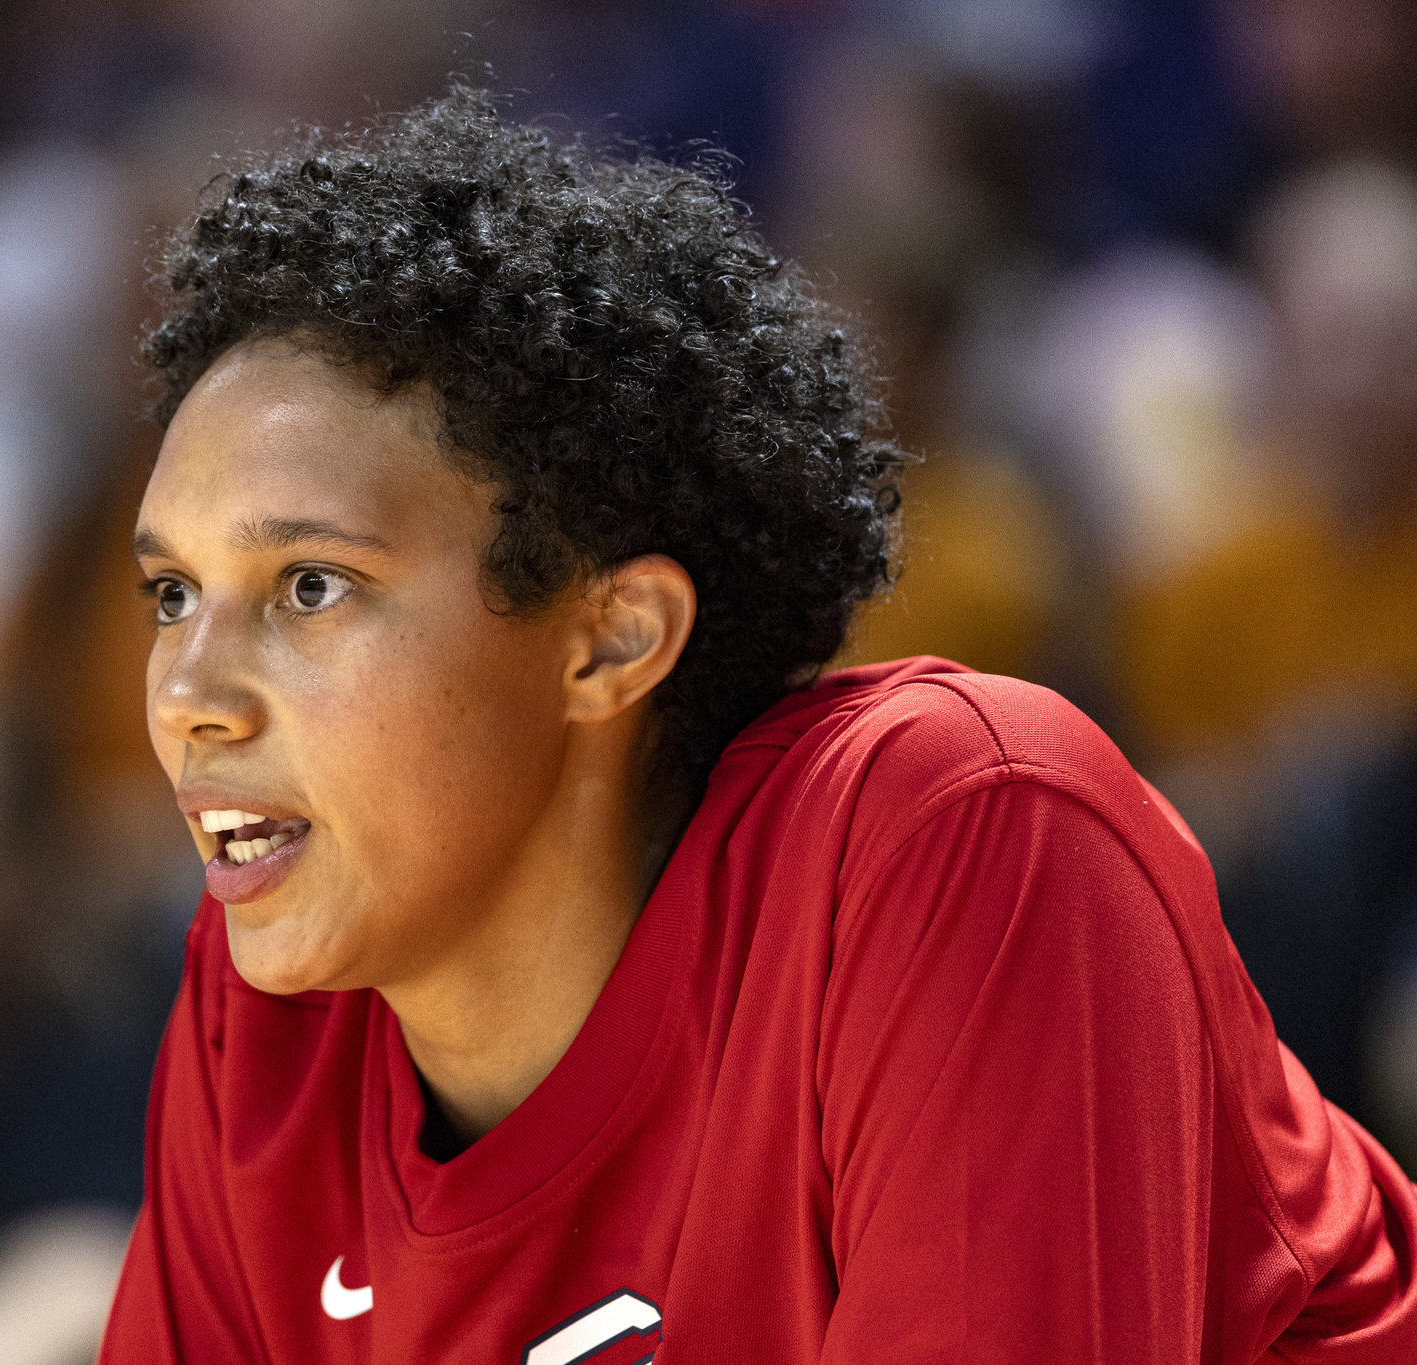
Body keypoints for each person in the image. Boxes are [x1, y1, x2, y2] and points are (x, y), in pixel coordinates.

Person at [99, 88, 1417, 1362]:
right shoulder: (276, 1007)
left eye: (309, 585)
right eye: (173, 591)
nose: (184, 693)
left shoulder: (961, 832)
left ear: (611, 637)